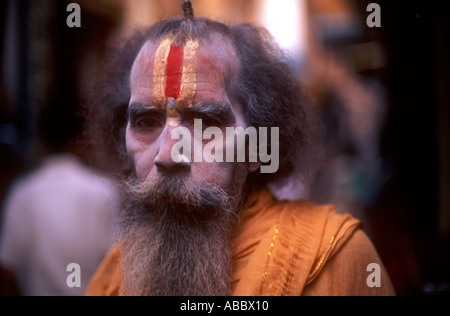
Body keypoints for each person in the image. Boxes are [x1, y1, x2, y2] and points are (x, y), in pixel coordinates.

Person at [84, 1, 395, 296]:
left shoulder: (334, 258)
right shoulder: (114, 277)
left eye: (205, 121)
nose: (167, 155)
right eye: (146, 121)